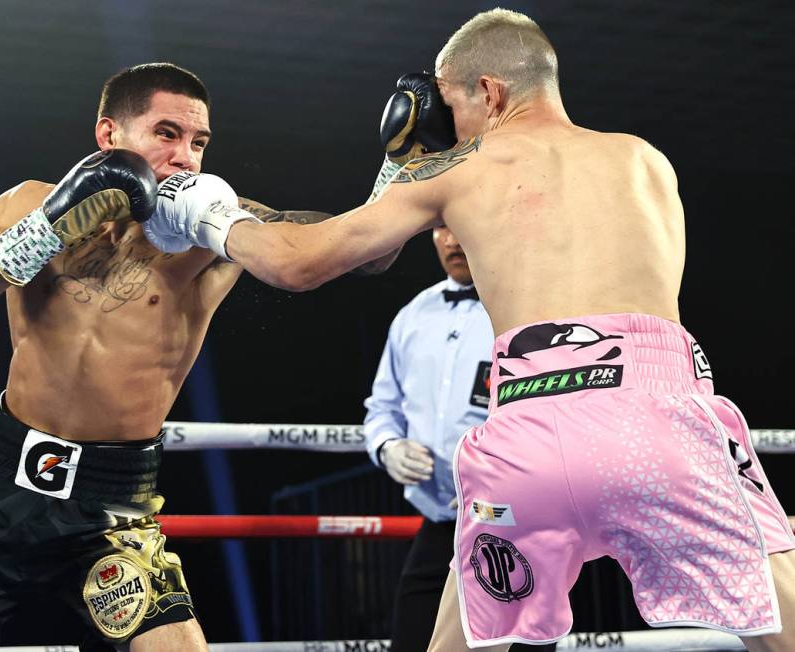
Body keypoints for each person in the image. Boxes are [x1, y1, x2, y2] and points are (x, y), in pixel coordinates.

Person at [141, 8, 795, 652]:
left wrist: (207, 214)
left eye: (452, 107)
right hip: (661, 423)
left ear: (487, 91)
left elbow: (298, 262)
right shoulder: (644, 162)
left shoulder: (459, 171)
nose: (449, 129)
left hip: (530, 438)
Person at [0, 62, 333, 652]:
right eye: (167, 134)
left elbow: (333, 254)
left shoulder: (216, 229)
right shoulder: (31, 203)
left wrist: (402, 183)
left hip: (113, 506)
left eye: (199, 142)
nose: (187, 158)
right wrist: (45, 228)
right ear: (109, 134)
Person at [365, 225, 495, 651]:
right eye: (442, 228)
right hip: (440, 525)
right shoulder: (413, 315)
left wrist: (500, 474)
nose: (454, 240)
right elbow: (382, 408)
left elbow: (553, 412)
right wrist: (388, 447)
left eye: (463, 226)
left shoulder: (523, 308)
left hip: (511, 524)